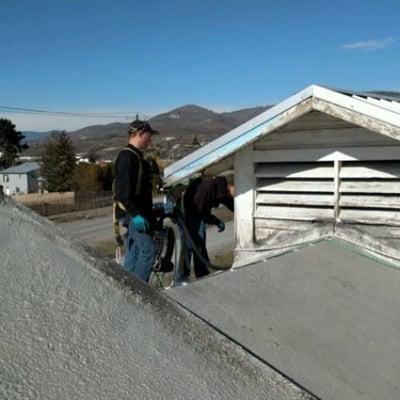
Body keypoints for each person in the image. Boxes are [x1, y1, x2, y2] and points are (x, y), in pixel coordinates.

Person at [114, 119, 159, 283]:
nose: (150, 140)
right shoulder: (127, 157)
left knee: (133, 252)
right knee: (148, 252)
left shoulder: (137, 157)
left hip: (137, 213)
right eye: (149, 136)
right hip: (133, 214)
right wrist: (136, 213)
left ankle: (126, 287)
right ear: (140, 134)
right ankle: (140, 292)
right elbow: (123, 191)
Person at [175, 175, 234, 284]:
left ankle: (201, 273)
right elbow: (197, 208)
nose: (236, 194)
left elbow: (233, 205)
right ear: (230, 186)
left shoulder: (222, 192)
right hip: (186, 210)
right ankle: (181, 277)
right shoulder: (209, 186)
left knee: (199, 243)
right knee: (189, 244)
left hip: (196, 212)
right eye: (236, 189)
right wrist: (213, 220)